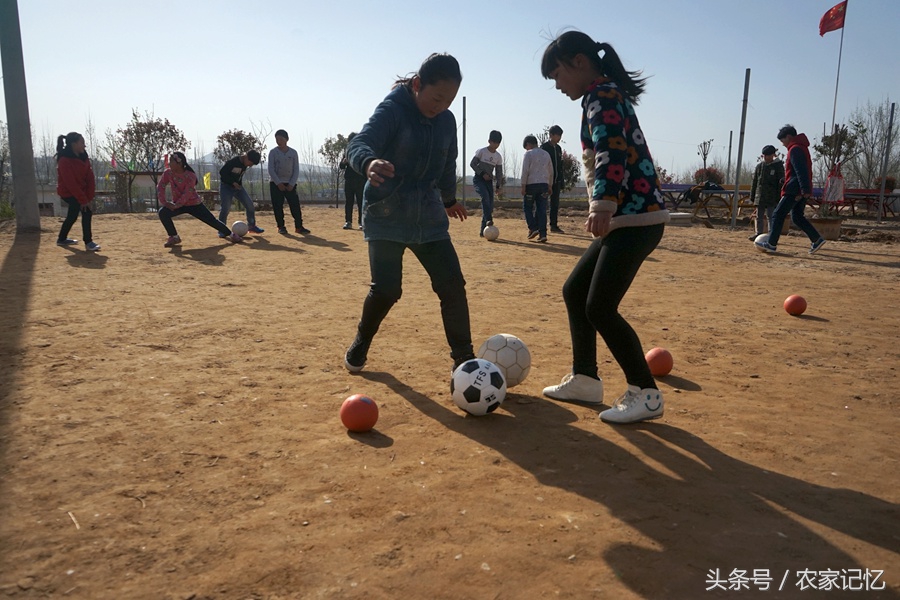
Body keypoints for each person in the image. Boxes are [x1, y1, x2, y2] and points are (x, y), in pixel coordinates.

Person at [538, 31, 670, 424]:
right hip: (627, 217)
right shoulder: (604, 93)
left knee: (600, 306)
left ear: (579, 62)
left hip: (634, 217)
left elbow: (612, 148)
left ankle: (645, 393)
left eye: (558, 75)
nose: (558, 85)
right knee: (575, 291)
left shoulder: (602, 95)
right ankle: (585, 379)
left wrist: (603, 203)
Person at [343, 53, 475, 374]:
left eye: (450, 100)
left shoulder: (446, 121)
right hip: (387, 212)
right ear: (417, 85)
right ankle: (361, 342)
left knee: (452, 286)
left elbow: (447, 164)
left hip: (428, 217)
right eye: (436, 97)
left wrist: (448, 199)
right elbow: (359, 144)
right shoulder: (393, 110)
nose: (441, 106)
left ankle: (465, 360)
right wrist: (369, 162)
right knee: (388, 289)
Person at [755, 125, 826, 255]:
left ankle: (771, 243)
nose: (783, 144)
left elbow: (801, 171)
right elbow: (798, 171)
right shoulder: (802, 148)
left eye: (782, 141)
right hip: (799, 186)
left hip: (794, 189)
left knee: (778, 214)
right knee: (797, 216)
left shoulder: (795, 149)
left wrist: (803, 189)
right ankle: (816, 239)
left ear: (788, 137)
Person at [157, 151, 242, 246]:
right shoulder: (168, 173)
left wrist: (175, 205)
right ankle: (174, 237)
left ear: (179, 163)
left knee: (212, 221)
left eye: (171, 161)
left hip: (194, 204)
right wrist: (165, 202)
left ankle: (231, 234)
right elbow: (161, 186)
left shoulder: (190, 176)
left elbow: (187, 194)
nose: (169, 163)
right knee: (163, 212)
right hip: (178, 204)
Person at [55, 132, 101, 251]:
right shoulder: (64, 160)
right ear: (73, 144)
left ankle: (61, 238)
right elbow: (70, 183)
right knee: (85, 211)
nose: (84, 146)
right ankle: (88, 242)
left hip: (81, 192)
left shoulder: (84, 157)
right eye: (82, 143)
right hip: (68, 192)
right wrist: (83, 200)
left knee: (73, 215)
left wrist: (89, 197)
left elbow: (90, 178)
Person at [268, 129, 308, 235]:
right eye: (277, 139)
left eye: (281, 139)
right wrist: (278, 183)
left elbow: (296, 169)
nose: (278, 141)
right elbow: (271, 169)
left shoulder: (293, 153)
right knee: (277, 206)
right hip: (276, 184)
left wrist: (291, 183)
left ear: (286, 139)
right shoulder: (273, 152)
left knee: (295, 205)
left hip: (290, 184)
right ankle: (281, 226)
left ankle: (299, 226)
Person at [217, 150, 263, 235]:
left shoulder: (245, 164)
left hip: (238, 188)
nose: (250, 165)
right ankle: (222, 229)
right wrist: (232, 182)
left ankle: (251, 226)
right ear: (246, 157)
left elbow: (239, 176)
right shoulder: (233, 162)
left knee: (249, 205)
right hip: (226, 187)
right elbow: (222, 173)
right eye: (250, 163)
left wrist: (238, 184)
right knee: (225, 208)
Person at [520, 134, 553, 243]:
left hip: (531, 185)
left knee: (527, 207)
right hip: (544, 185)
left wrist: (523, 185)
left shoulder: (528, 154)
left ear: (528, 144)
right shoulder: (546, 154)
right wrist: (550, 185)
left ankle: (533, 228)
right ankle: (543, 234)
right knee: (542, 210)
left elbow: (525, 171)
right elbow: (550, 171)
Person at [470, 130, 504, 236]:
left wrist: (498, 186)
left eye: (498, 143)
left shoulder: (498, 157)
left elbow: (499, 173)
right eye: (494, 142)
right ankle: (489, 219)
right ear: (489, 141)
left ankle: (483, 231)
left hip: (489, 182)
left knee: (489, 205)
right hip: (479, 180)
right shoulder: (481, 152)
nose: (496, 145)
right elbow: (473, 164)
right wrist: (482, 174)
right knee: (485, 197)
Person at [748, 144, 784, 240]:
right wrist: (752, 196)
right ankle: (758, 233)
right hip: (760, 196)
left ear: (773, 155)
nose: (765, 157)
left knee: (771, 216)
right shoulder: (760, 166)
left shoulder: (778, 166)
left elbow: (781, 182)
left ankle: (771, 235)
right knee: (759, 216)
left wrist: (779, 197)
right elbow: (755, 181)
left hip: (772, 197)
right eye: (764, 155)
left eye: (767, 155)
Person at [540, 125, 565, 232]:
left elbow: (560, 165)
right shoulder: (544, 148)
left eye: (560, 136)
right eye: (557, 135)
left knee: (555, 204)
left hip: (557, 180)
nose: (559, 138)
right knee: (542, 203)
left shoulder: (559, 148)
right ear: (551, 135)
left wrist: (561, 179)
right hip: (545, 181)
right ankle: (540, 225)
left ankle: (553, 225)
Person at [340, 132, 366, 230]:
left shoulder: (362, 151)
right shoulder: (347, 152)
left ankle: (361, 223)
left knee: (361, 203)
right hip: (349, 181)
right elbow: (341, 166)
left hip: (360, 181)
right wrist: (344, 162)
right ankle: (348, 222)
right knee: (349, 202)